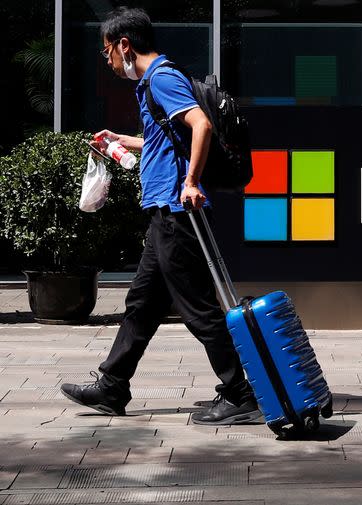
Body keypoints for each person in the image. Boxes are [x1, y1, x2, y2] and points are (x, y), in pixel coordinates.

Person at [60, 6, 259, 425]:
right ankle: (112, 387)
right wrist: (120, 140)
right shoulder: (155, 82)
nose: (109, 61)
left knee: (197, 307)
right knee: (142, 304)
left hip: (176, 210)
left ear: (125, 45)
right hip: (162, 212)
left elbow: (200, 125)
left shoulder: (162, 78)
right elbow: (161, 141)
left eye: (107, 52)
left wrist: (190, 182)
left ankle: (240, 393)